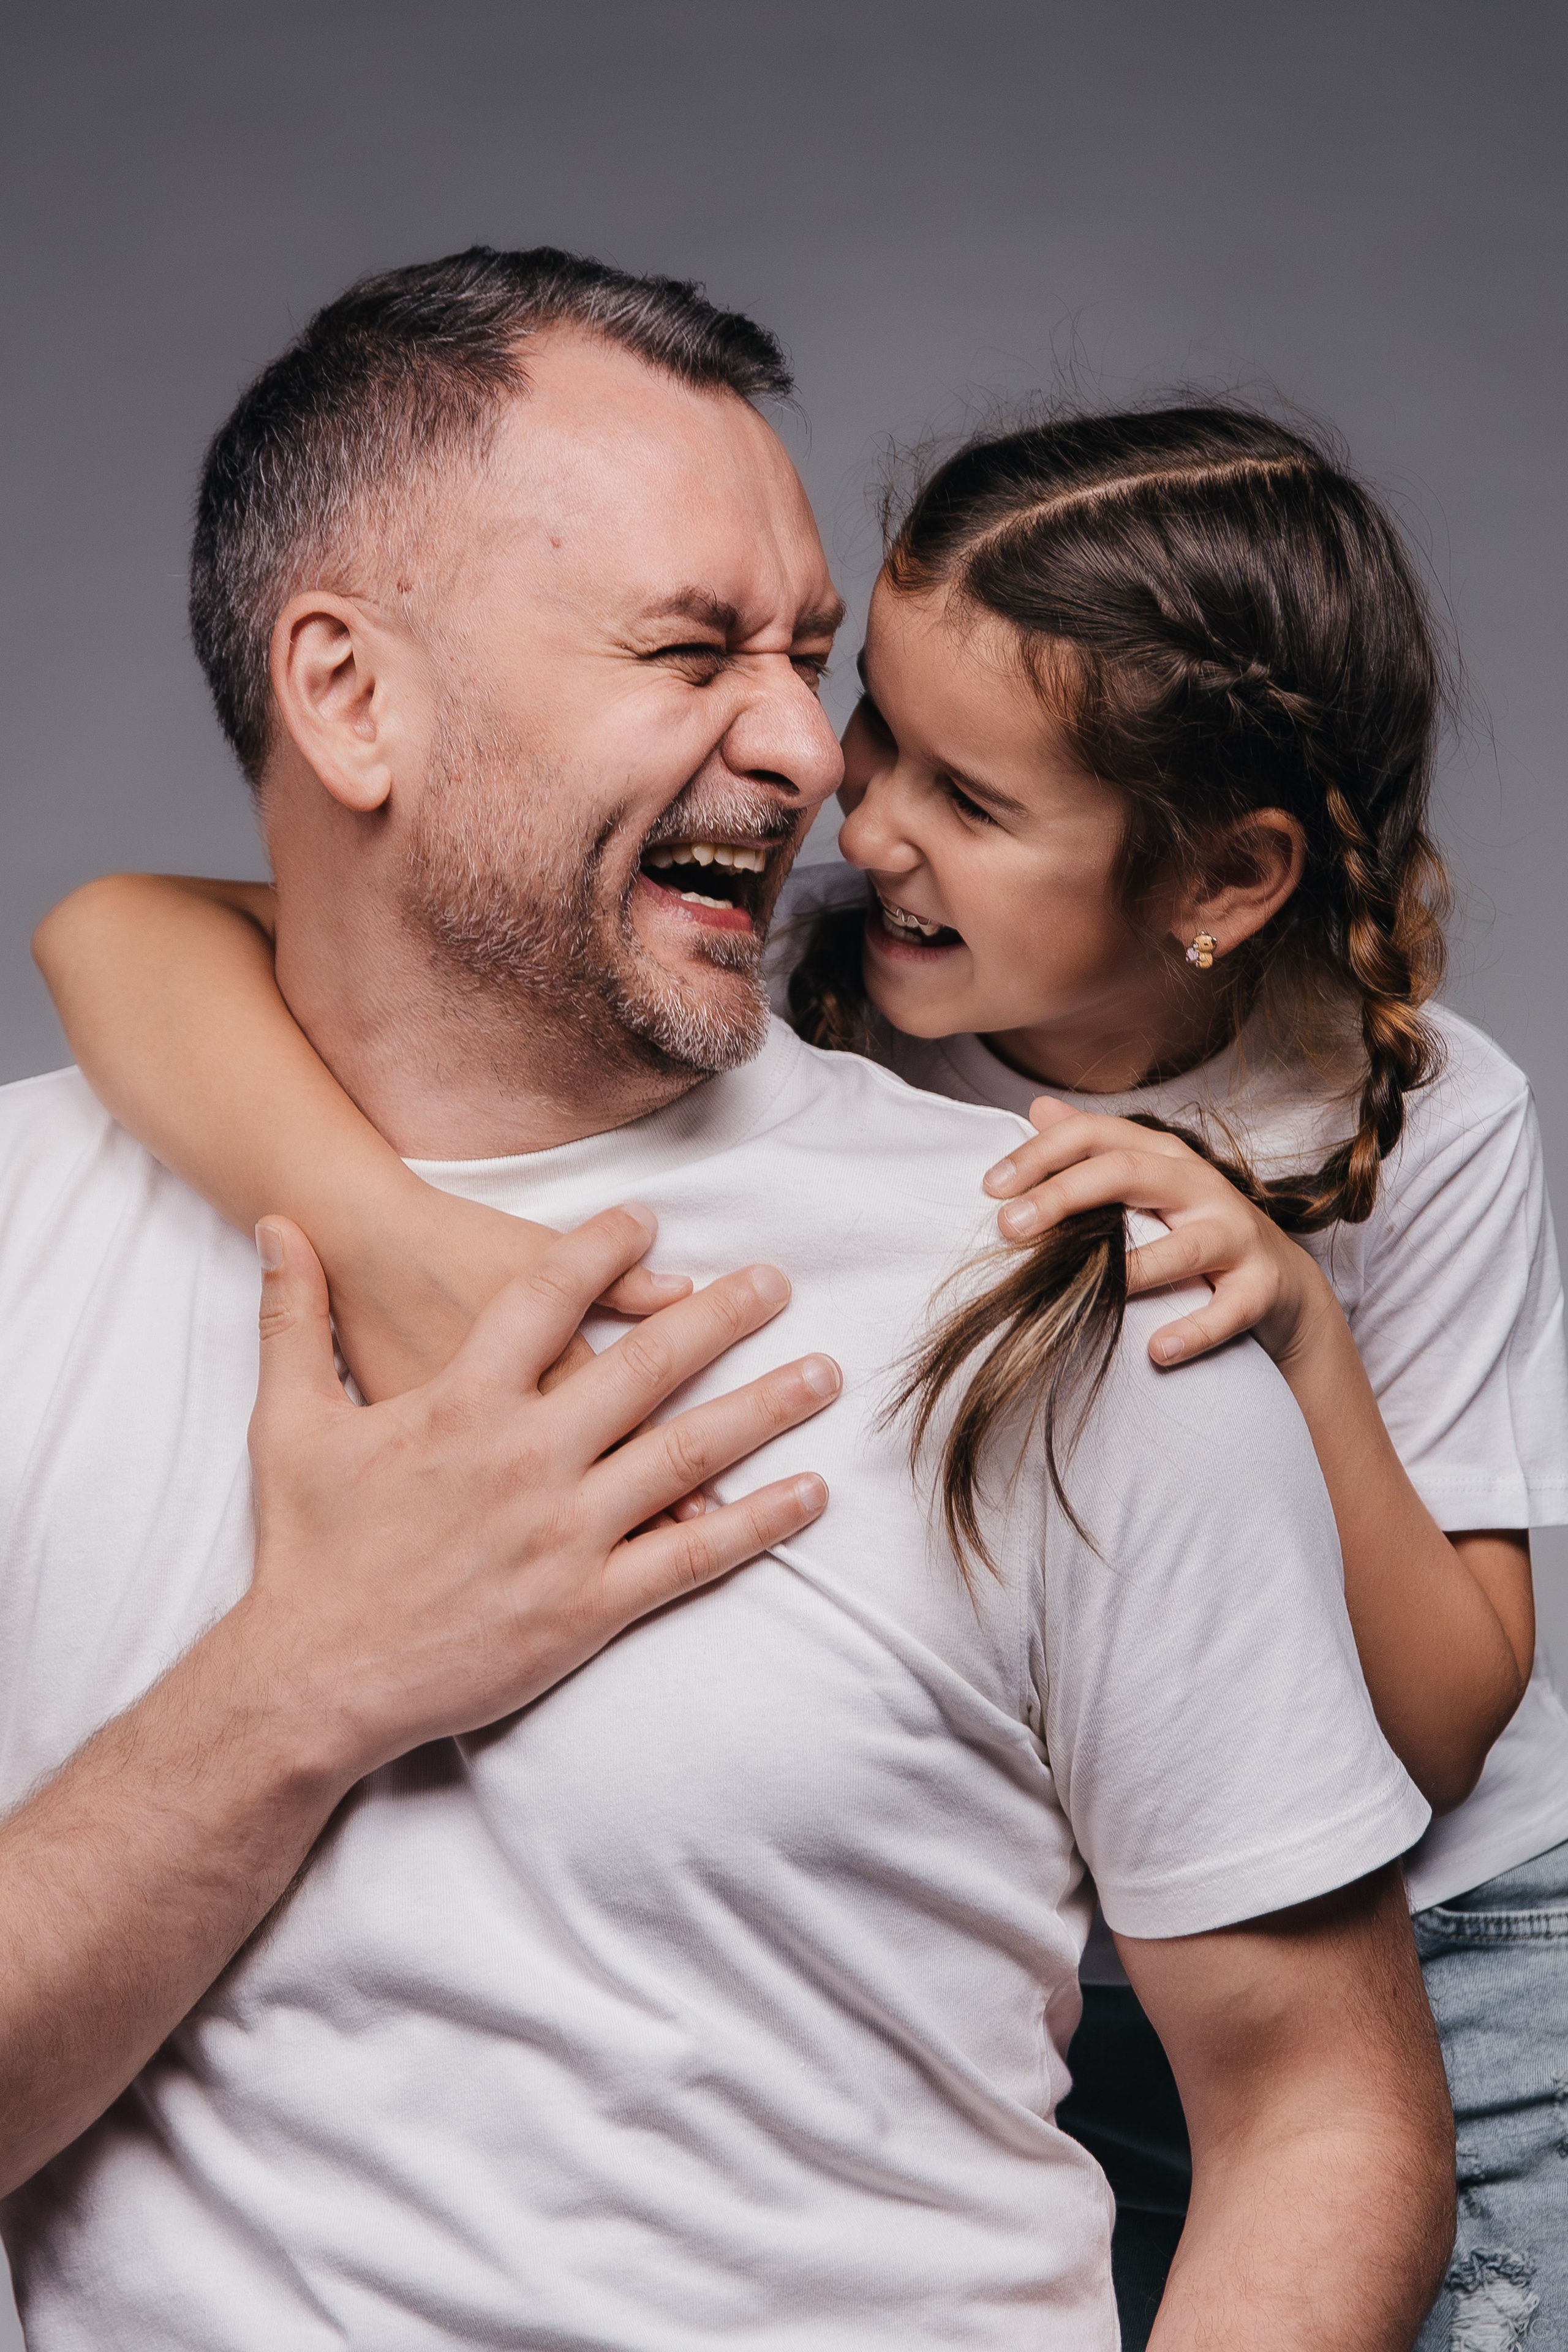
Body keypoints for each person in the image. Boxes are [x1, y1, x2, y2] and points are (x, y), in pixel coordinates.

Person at [6, 249, 1450, 2350]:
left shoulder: (1065, 1270)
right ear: (349, 696)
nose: (806, 754)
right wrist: (302, 1688)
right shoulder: (36, 1236)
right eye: (692, 651)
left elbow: (1325, 2113)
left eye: (808, 654)